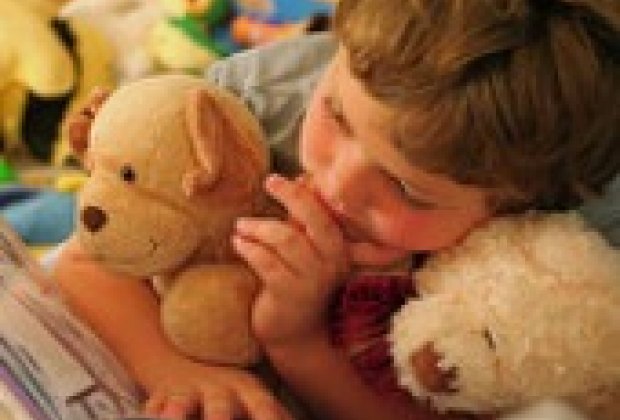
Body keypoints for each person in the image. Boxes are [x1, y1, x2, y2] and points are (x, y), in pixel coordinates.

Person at [53, 1, 620, 420]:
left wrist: (295, 339)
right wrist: (176, 371)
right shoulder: (256, 110)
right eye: (337, 116)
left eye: (408, 190)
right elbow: (88, 265)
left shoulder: (556, 262)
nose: (338, 185)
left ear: (520, 206)